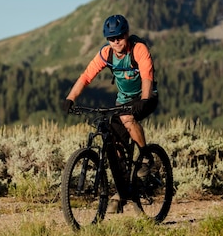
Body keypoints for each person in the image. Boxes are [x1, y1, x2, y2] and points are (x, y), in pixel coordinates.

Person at [61, 14, 158, 211]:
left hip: (146, 96)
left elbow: (147, 75)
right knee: (112, 139)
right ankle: (123, 190)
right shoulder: (106, 54)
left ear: (127, 35)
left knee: (127, 118)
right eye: (111, 39)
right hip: (123, 100)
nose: (116, 42)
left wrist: (145, 100)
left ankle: (146, 157)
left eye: (119, 38)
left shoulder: (138, 49)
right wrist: (70, 99)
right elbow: (86, 76)